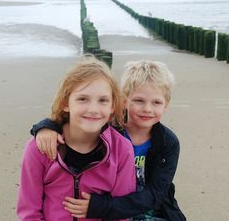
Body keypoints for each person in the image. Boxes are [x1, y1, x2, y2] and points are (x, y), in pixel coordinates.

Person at [31, 60, 186, 221]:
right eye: (139, 100)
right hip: (109, 208)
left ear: (165, 105)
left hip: (147, 209)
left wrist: (101, 207)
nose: (147, 108)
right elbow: (78, 121)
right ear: (124, 100)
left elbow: (156, 193)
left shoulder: (168, 143)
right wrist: (45, 127)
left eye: (157, 102)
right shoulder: (108, 129)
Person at [17, 57, 136, 221]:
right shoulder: (39, 148)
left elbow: (121, 212)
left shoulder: (122, 149)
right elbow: (29, 212)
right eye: (82, 99)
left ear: (112, 106)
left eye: (103, 100)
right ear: (66, 103)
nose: (93, 109)